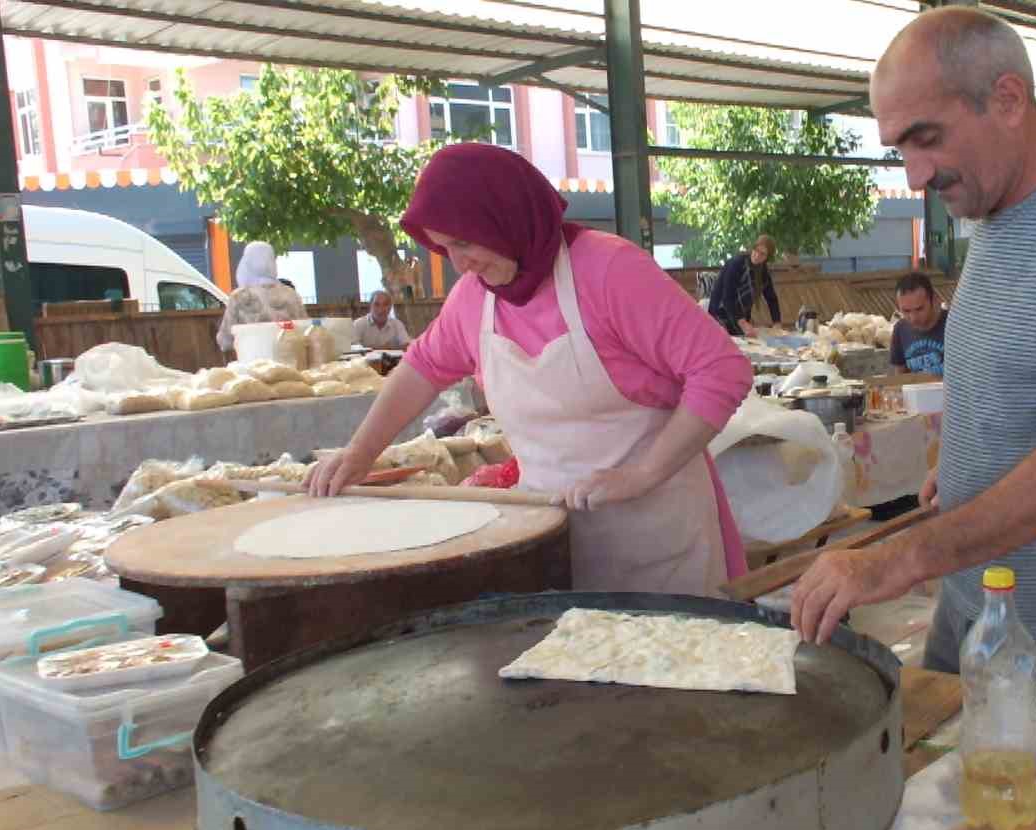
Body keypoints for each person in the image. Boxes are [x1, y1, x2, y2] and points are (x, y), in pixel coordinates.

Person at [790, 7, 1036, 720]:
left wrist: (897, 557)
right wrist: (970, 460)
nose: (914, 175)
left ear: (1007, 99)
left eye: (926, 138)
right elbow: (1015, 384)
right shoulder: (996, 220)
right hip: (974, 600)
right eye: (898, 147)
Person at [306, 143, 754, 597]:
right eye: (443, 249)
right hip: (551, 534)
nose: (460, 264)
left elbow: (721, 370)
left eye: (464, 241)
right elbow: (422, 367)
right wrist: (360, 453)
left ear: (507, 217)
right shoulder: (473, 299)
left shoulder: (607, 271)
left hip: (657, 539)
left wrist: (640, 475)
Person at [216, 242, 306, 352]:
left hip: (252, 363)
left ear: (246, 262)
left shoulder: (239, 297)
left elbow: (225, 341)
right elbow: (306, 332)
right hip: (289, 361)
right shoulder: (291, 295)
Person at [707, 235, 781, 337]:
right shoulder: (736, 264)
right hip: (720, 313)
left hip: (741, 317)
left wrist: (777, 323)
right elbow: (727, 298)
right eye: (756, 250)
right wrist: (743, 324)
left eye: (762, 254)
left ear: (767, 258)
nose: (757, 255)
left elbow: (771, 298)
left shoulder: (763, 272)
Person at [890, 271, 947, 375]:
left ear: (934, 300)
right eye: (906, 311)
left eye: (919, 309)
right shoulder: (900, 330)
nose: (913, 318)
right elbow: (899, 378)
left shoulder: (953, 324)